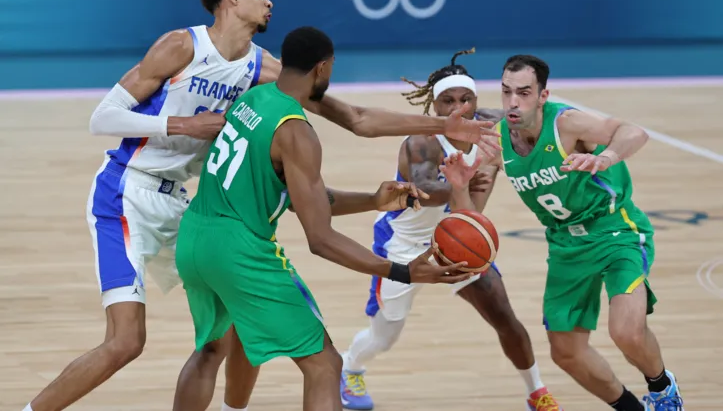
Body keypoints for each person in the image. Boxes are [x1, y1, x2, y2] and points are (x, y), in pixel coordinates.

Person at [19, 0, 500, 411]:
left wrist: (441, 128)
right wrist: (186, 125)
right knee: (128, 341)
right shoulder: (181, 46)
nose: (269, 2)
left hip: (192, 208)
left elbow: (355, 117)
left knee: (223, 336)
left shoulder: (265, 73)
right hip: (128, 190)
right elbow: (101, 117)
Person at [175, 25, 476, 411]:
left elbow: (302, 199)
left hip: (195, 239)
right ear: (322, 68)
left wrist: (372, 199)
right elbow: (320, 239)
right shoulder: (297, 132)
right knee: (325, 364)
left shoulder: (252, 98)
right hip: (239, 251)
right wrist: (400, 271)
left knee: (215, 347)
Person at [338, 49, 563, 411]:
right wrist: (465, 180)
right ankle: (349, 366)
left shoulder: (493, 124)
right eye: (447, 101)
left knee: (504, 315)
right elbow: (424, 191)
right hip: (405, 244)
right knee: (385, 334)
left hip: (459, 240)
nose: (458, 107)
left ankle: (536, 391)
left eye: (465, 98)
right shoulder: (421, 142)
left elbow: (543, 121)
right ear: (434, 105)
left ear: (476, 99)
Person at [471, 55, 684, 411]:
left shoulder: (566, 123)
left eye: (524, 93)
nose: (512, 102)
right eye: (507, 91)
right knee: (566, 352)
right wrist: (458, 191)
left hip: (615, 230)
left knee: (626, 332)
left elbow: (634, 131)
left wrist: (607, 157)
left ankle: (663, 390)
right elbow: (470, 210)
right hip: (565, 243)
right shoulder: (497, 141)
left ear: (542, 95)